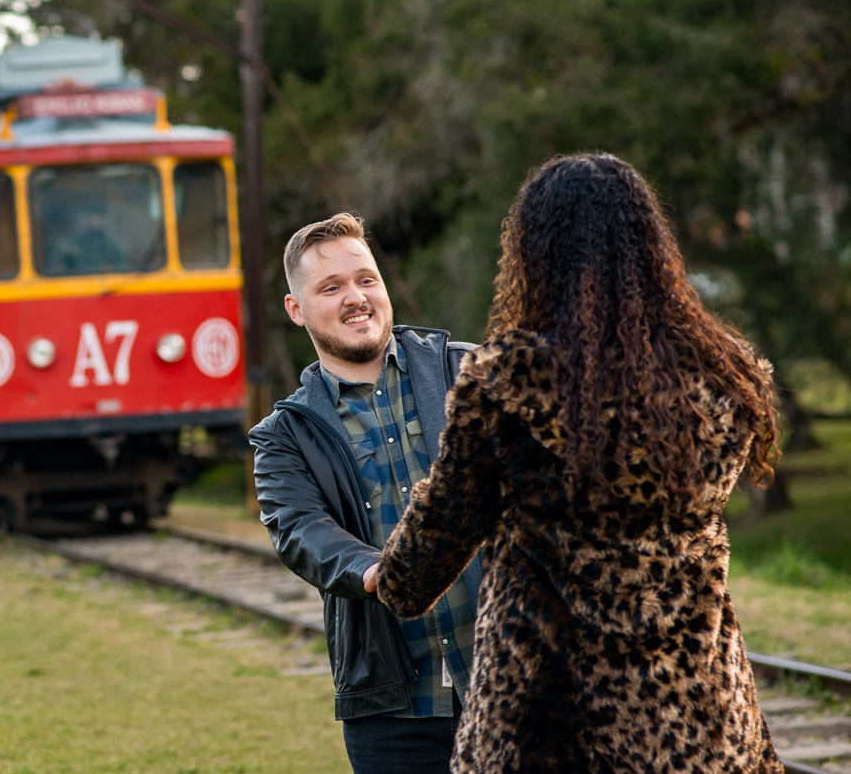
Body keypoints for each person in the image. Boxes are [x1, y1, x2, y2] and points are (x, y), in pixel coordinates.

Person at [376, 153, 783, 773]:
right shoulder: (724, 380)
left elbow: (423, 560)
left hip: (546, 728)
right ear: (653, 251)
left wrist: (398, 560)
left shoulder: (509, 383)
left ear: (534, 256)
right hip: (697, 725)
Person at [249, 213, 484, 774]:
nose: (355, 298)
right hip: (392, 717)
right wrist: (381, 571)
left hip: (515, 687)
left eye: (365, 280)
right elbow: (300, 530)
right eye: (330, 288)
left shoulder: (471, 373)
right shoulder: (283, 437)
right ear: (296, 309)